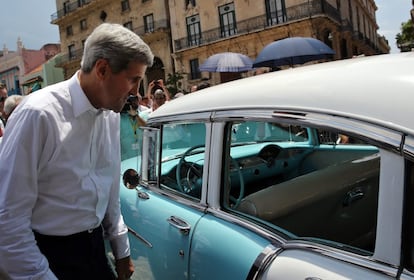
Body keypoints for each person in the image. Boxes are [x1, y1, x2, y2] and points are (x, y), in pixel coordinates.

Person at [0, 23, 154, 280]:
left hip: (94, 251)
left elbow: (109, 189)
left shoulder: (110, 114)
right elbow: (8, 217)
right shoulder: (38, 115)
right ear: (102, 69)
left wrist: (121, 249)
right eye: (133, 80)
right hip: (47, 257)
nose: (135, 93)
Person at [120, 95, 147, 160]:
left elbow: (147, 129)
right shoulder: (119, 118)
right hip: (125, 158)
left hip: (141, 156)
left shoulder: (142, 115)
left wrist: (136, 115)